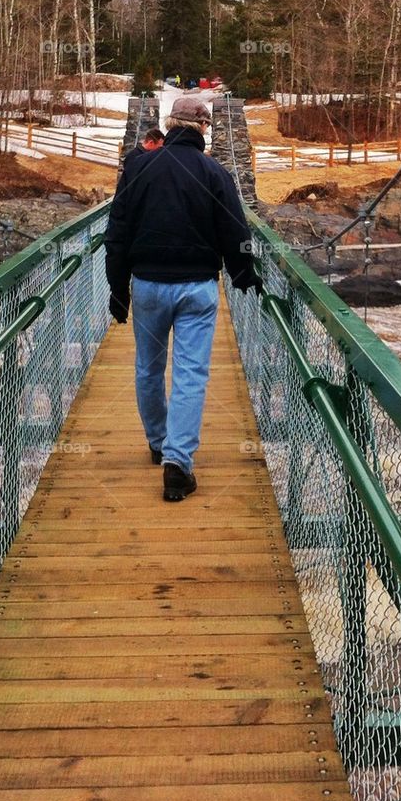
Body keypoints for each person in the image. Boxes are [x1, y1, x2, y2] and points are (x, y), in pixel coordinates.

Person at [104, 95, 263, 501]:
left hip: (148, 286)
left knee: (147, 368)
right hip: (197, 288)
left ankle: (158, 443)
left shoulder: (138, 168)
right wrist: (244, 275)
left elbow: (117, 232)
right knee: (190, 374)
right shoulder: (215, 173)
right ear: (204, 129)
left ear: (170, 124)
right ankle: (178, 463)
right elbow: (236, 233)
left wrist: (117, 289)